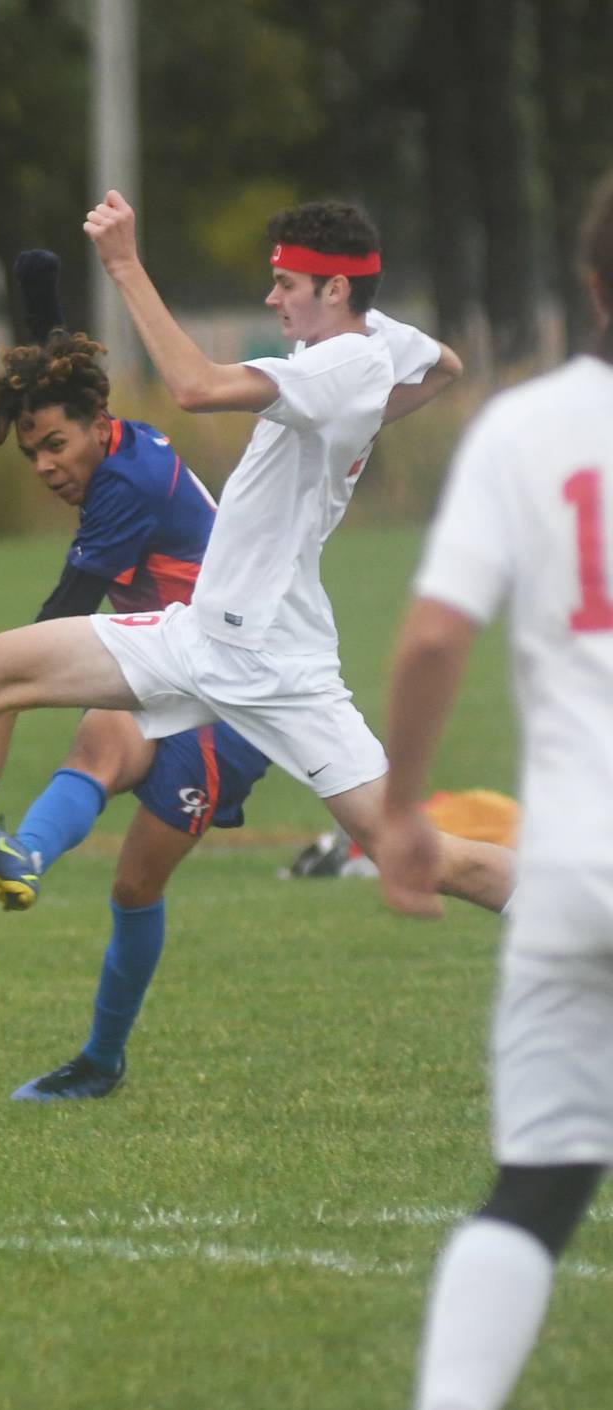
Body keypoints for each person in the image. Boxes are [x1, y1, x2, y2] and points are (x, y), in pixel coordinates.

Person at [0, 194, 516, 948]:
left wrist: (124, 264)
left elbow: (197, 388)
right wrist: (359, 420)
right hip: (205, 632)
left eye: (287, 285)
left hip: (271, 658)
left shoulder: (346, 359)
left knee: (410, 849)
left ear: (335, 290)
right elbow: (446, 367)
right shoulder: (366, 350)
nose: (272, 298)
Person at [379, 170, 613, 1410]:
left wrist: (406, 809)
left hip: (573, 874)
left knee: (539, 1183)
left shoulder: (523, 430)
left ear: (590, 287)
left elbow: (427, 641)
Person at [0, 251, 270, 1101]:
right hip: (167, 661)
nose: (47, 465)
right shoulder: (107, 432)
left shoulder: (127, 480)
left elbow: (69, 608)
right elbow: (60, 371)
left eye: (55, 446)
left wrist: (1, 682)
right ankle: (23, 857)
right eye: (32, 454)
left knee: (135, 885)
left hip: (229, 698)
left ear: (95, 428)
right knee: (97, 743)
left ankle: (102, 1059)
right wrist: (38, 295)